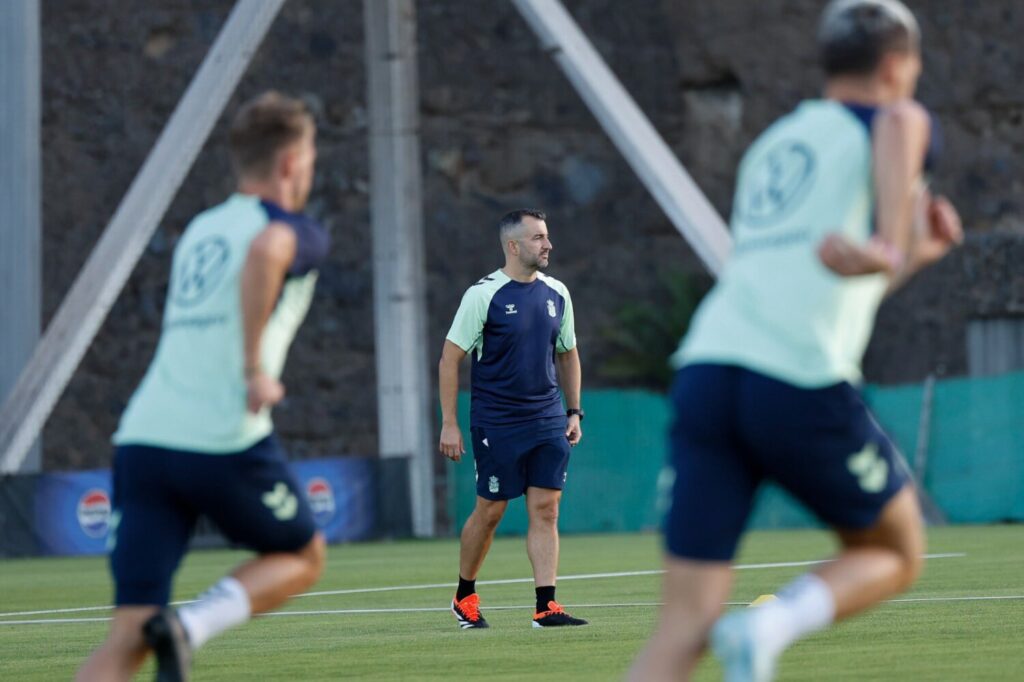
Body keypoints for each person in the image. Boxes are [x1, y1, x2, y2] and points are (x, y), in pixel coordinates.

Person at [628, 1, 963, 680]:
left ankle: (742, 636)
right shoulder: (895, 116)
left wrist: (907, 257)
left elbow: (820, 278)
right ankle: (768, 626)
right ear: (897, 65)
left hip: (709, 371)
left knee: (681, 625)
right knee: (898, 550)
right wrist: (897, 250)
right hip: (795, 378)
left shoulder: (773, 144)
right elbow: (899, 153)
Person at [76, 91, 330, 682]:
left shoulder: (200, 229)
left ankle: (166, 631)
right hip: (221, 436)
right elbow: (270, 250)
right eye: (310, 155)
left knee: (127, 637)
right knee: (302, 555)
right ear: (291, 163)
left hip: (143, 439)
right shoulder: (289, 227)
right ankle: (189, 628)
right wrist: (253, 370)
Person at [439, 209, 588, 629]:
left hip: (547, 417)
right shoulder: (482, 295)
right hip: (497, 422)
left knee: (547, 508)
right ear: (514, 246)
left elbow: (568, 352)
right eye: (539, 237)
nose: (548, 245)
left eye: (547, 236)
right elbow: (450, 359)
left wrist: (573, 411)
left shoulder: (557, 292)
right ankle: (464, 595)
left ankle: (546, 606)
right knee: (491, 510)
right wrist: (449, 422)